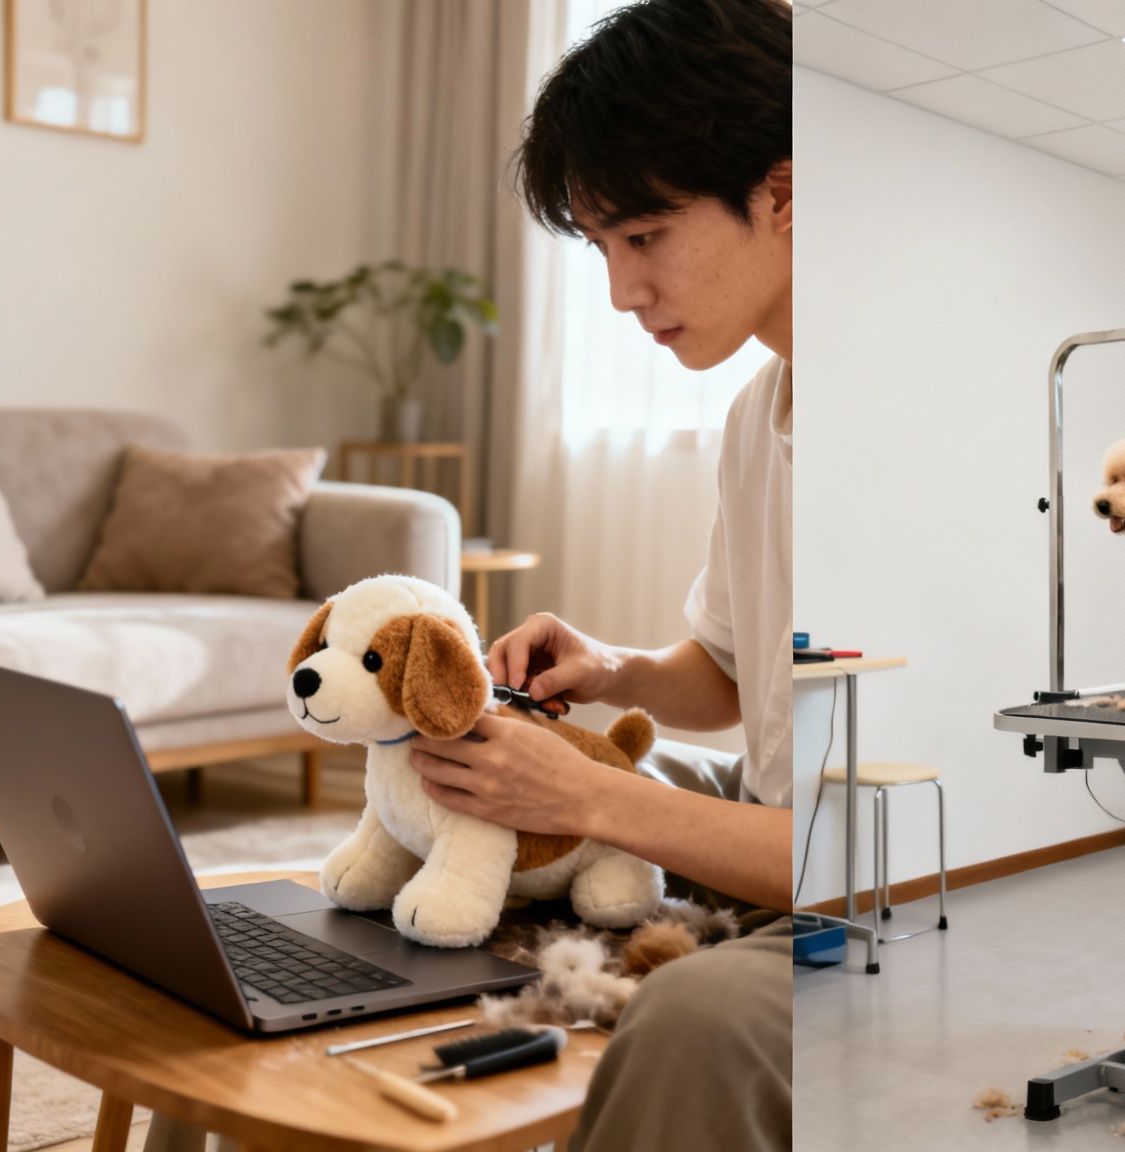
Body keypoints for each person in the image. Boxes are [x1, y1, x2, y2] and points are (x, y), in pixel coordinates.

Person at [406, 2, 793, 1149]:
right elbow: (729, 676)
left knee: (701, 1012)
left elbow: (876, 843)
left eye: (643, 239)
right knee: (475, 776)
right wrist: (614, 670)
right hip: (782, 817)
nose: (623, 293)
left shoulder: (903, 430)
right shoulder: (753, 413)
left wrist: (590, 798)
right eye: (602, 250)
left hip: (890, 877)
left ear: (781, 195)